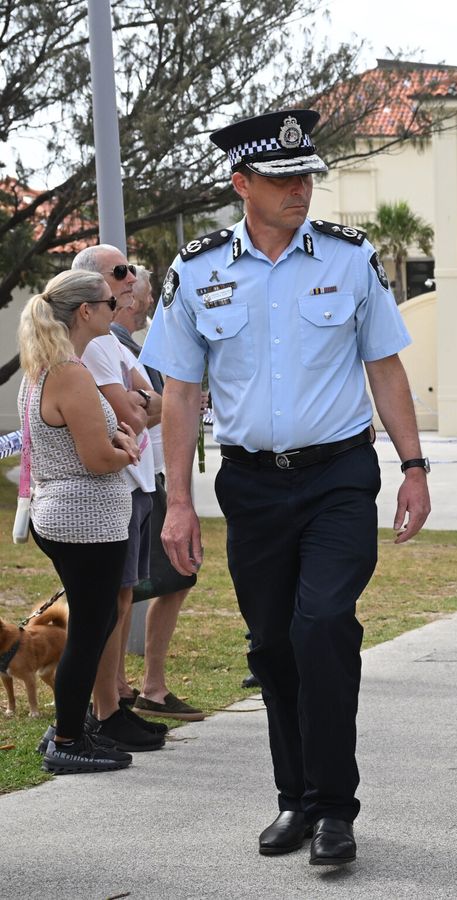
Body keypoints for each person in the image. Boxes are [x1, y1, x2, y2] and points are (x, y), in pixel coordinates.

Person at [140, 109, 431, 866]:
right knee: (272, 643)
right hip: (251, 486)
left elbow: (385, 366)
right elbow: (178, 391)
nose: (301, 189)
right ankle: (295, 798)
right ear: (243, 184)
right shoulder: (197, 271)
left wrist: (414, 466)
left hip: (338, 475)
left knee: (323, 626)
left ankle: (336, 809)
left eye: (306, 176)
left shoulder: (348, 258)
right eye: (283, 178)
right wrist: (177, 501)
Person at [16, 269, 143, 773]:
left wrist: (114, 446)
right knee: (91, 628)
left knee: (97, 621)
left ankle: (70, 723)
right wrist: (127, 449)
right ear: (86, 312)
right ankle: (68, 738)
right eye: (111, 302)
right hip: (84, 519)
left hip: (65, 513)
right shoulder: (69, 372)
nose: (119, 309)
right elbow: (96, 458)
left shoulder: (44, 368)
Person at [72, 246, 168, 753]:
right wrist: (145, 404)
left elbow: (155, 403)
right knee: (109, 602)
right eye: (121, 272)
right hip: (112, 489)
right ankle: (104, 710)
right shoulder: (93, 344)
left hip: (134, 484)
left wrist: (146, 403)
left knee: (121, 598)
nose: (131, 278)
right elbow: (136, 415)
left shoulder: (113, 342)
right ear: (91, 290)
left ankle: (111, 703)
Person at [114, 268, 205, 719]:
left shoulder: (139, 345)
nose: (146, 301)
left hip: (152, 478)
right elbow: (137, 413)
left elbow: (156, 404)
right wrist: (172, 405)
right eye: (143, 294)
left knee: (167, 579)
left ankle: (138, 687)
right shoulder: (107, 345)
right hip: (134, 482)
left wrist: (168, 404)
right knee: (133, 585)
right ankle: (133, 689)